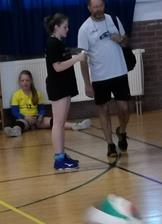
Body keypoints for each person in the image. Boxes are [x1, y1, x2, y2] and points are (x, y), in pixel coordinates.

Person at [78, 0, 131, 163]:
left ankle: (122, 131)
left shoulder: (113, 19)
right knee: (104, 109)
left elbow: (126, 42)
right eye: (95, 7)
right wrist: (87, 84)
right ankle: (110, 144)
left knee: (124, 108)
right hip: (100, 77)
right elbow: (83, 60)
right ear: (89, 8)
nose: (98, 9)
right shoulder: (84, 29)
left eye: (100, 6)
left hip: (119, 72)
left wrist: (120, 39)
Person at [45, 13, 91, 172]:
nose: (67, 29)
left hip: (64, 86)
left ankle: (62, 155)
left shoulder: (59, 43)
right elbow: (57, 67)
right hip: (58, 87)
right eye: (65, 27)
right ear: (56, 27)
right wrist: (77, 59)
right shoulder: (52, 44)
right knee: (58, 124)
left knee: (61, 123)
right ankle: (59, 159)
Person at [5, 70, 52, 137]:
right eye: (22, 80)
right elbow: (14, 111)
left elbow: (42, 109)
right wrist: (25, 117)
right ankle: (15, 131)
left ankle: (68, 125)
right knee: (20, 124)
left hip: (36, 119)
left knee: (50, 120)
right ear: (19, 82)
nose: (25, 82)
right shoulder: (16, 94)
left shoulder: (38, 93)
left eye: (27, 80)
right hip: (24, 119)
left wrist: (40, 117)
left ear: (31, 81)